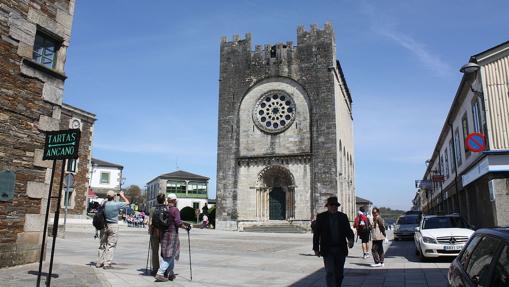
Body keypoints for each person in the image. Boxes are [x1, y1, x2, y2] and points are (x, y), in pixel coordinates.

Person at [313, 196, 354, 287]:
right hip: (328, 249)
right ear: (327, 206)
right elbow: (317, 234)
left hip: (340, 249)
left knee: (339, 273)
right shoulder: (321, 217)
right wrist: (316, 248)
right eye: (331, 205)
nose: (334, 207)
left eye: (336, 205)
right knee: (330, 272)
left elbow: (348, 231)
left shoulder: (343, 217)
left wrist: (351, 240)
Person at [155, 193, 191, 282]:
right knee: (170, 255)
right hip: (172, 234)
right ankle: (160, 273)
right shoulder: (175, 210)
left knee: (169, 253)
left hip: (163, 234)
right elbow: (178, 222)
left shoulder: (164, 208)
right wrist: (186, 227)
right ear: (174, 201)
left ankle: (170, 273)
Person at [96, 190, 130, 269]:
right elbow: (127, 203)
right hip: (113, 225)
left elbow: (105, 200)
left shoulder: (103, 203)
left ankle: (99, 262)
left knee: (102, 244)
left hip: (103, 225)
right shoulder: (116, 204)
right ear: (114, 197)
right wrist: (122, 195)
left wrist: (109, 196)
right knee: (111, 245)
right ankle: (107, 264)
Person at [148, 193, 167, 275]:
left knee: (154, 252)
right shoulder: (167, 208)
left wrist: (150, 231)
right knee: (165, 252)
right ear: (164, 200)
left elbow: (150, 222)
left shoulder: (152, 209)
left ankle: (155, 269)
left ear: (157, 200)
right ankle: (164, 270)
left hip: (154, 232)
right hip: (164, 233)